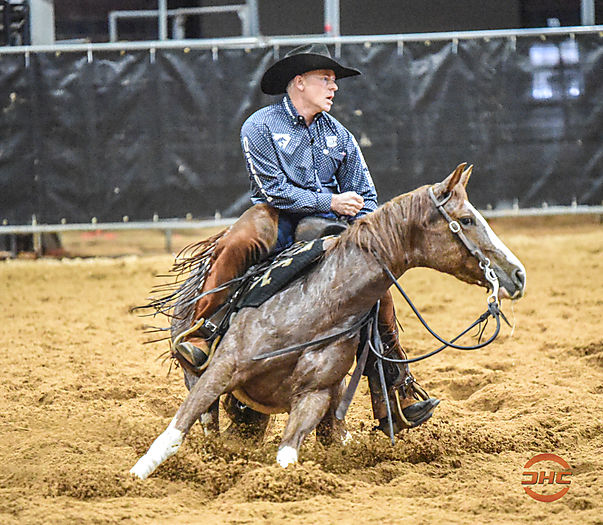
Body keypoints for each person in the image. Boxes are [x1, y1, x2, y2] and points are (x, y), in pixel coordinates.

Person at [173, 44, 438, 431]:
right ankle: (204, 330)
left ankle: (394, 385)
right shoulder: (260, 126)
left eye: (334, 81)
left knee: (376, 281)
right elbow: (274, 190)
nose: (334, 87)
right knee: (238, 242)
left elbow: (366, 197)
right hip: (275, 215)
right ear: (299, 82)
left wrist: (360, 225)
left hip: (327, 225)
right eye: (325, 79)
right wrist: (330, 201)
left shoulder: (340, 136)